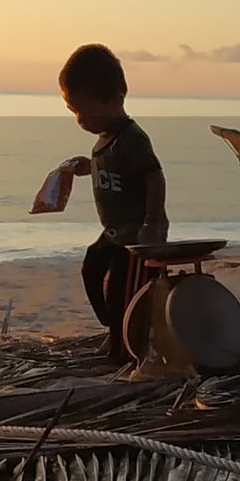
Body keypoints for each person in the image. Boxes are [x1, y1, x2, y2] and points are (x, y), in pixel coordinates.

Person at [55, 44, 168, 364]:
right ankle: (112, 326)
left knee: (121, 289)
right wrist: (87, 166)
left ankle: (122, 344)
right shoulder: (105, 140)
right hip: (114, 230)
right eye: (72, 110)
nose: (78, 119)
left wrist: (152, 223)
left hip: (135, 234)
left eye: (81, 110)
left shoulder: (132, 137)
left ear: (114, 99)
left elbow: (154, 177)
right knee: (91, 268)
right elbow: (115, 167)